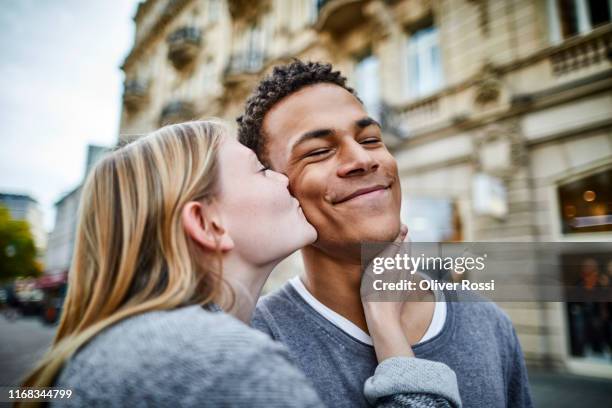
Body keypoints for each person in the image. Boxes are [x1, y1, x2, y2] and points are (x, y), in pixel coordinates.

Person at [21, 121, 461, 407]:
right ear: (208, 223)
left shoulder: (130, 345)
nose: (283, 178)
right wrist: (388, 327)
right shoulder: (216, 362)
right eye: (258, 169)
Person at [237, 60, 534, 408]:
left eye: (371, 139)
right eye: (318, 151)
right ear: (276, 190)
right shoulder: (252, 345)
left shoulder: (488, 322)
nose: (362, 158)